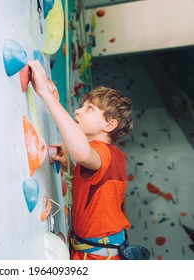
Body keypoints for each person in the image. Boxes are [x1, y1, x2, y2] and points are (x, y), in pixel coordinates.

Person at [28, 60, 133, 260]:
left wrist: (46, 95)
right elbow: (95, 184)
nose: (78, 111)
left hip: (97, 258)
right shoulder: (113, 156)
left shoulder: (102, 152)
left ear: (109, 125)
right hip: (98, 252)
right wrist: (71, 168)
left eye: (90, 109)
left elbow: (83, 153)